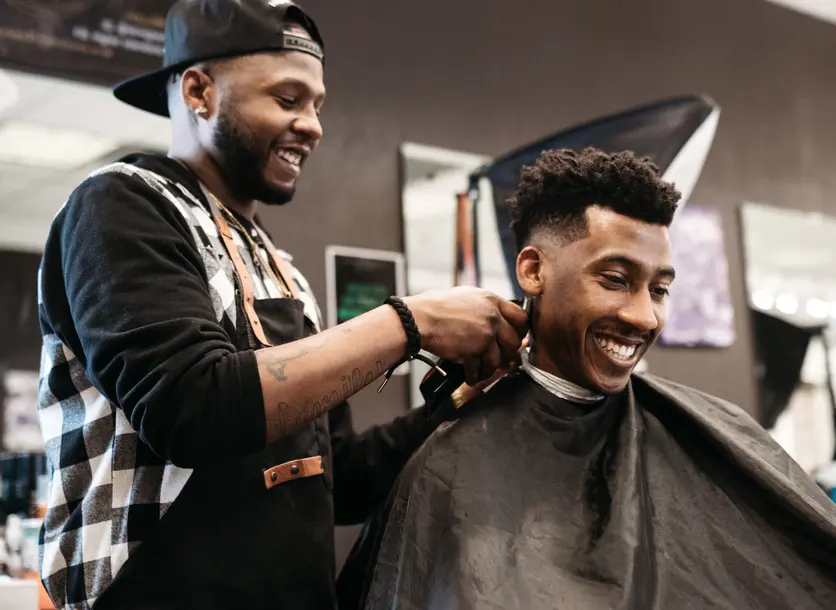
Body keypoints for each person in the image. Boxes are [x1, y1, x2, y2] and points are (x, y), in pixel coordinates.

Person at [34, 2, 527, 608]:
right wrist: (412, 322)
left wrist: (456, 402)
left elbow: (337, 475)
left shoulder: (279, 266)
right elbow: (192, 407)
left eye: (317, 105)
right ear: (198, 90)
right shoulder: (121, 205)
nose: (313, 125)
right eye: (288, 99)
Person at [338, 147, 836, 609]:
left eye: (659, 289)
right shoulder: (450, 465)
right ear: (534, 272)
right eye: (615, 280)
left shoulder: (714, 427)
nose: (645, 317)